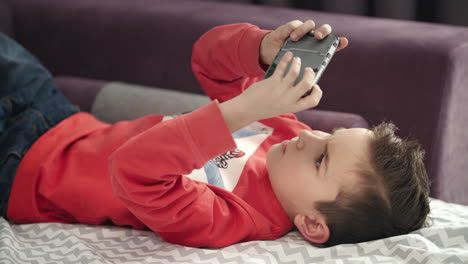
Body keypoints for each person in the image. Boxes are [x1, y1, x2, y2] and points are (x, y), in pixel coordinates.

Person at [0, 20, 430, 248]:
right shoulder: (286, 131)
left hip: (21, 171)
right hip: (58, 116)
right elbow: (206, 60)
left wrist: (248, 107)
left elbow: (129, 169)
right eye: (328, 135)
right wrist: (260, 49)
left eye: (321, 160)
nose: (308, 139)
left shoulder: (229, 220)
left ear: (313, 224)